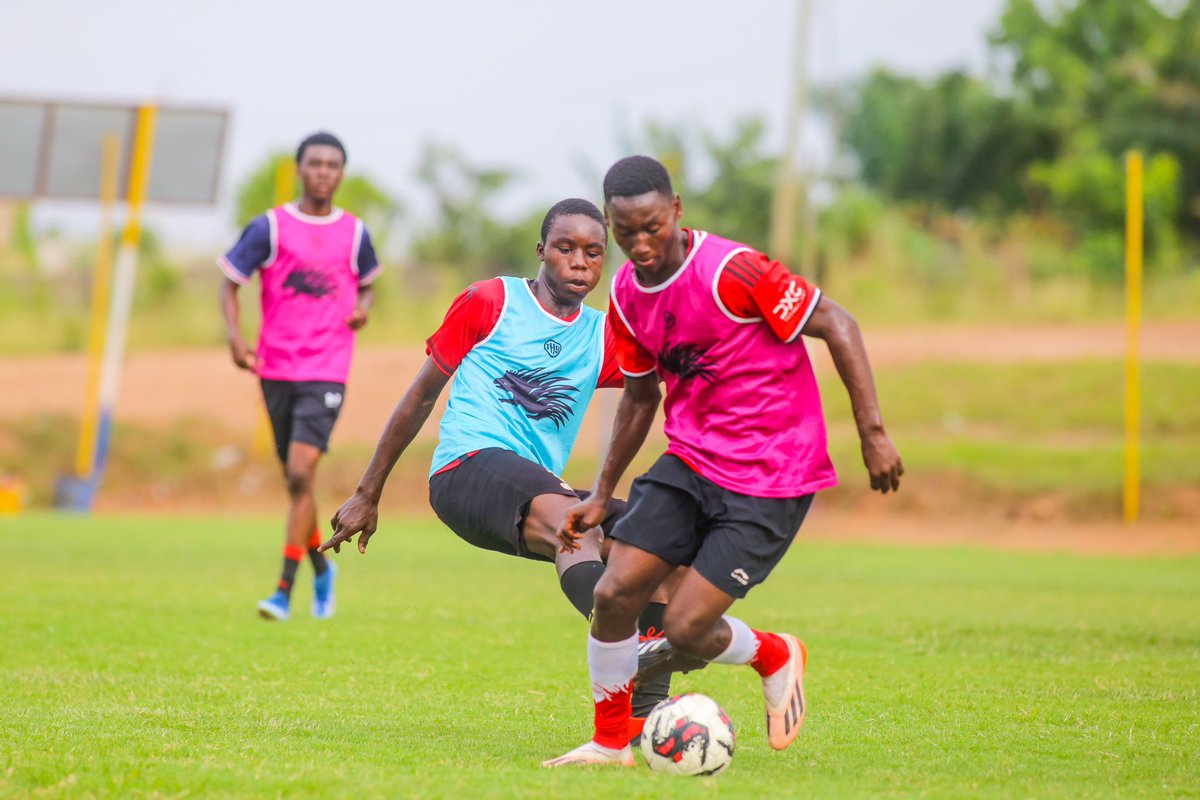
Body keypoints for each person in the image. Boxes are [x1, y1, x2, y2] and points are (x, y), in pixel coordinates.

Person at [543, 156, 905, 767]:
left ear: (676, 210)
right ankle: (610, 744)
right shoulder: (628, 293)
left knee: (685, 631)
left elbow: (838, 323)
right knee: (613, 593)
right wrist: (602, 494)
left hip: (773, 474)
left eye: (652, 227)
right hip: (690, 462)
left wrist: (872, 432)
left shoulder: (735, 271)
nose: (640, 244)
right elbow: (638, 397)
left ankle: (773, 653)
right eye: (625, 232)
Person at [320, 198, 681, 735]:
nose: (579, 262)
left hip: (534, 487)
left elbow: (666, 378)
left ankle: (639, 722)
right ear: (541, 251)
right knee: (575, 525)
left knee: (658, 546)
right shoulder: (491, 301)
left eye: (593, 252)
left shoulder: (605, 336)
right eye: (565, 248)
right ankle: (625, 651)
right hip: (465, 470)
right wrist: (367, 492)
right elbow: (420, 397)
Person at [217, 131, 381, 621]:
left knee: (298, 473)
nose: (324, 171)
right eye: (315, 163)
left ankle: (283, 592)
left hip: (327, 369)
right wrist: (233, 336)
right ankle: (322, 569)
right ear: (299, 169)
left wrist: (362, 310)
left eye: (333, 164)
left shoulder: (355, 233)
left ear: (341, 173)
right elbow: (229, 282)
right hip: (276, 366)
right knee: (297, 486)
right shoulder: (269, 227)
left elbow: (369, 285)